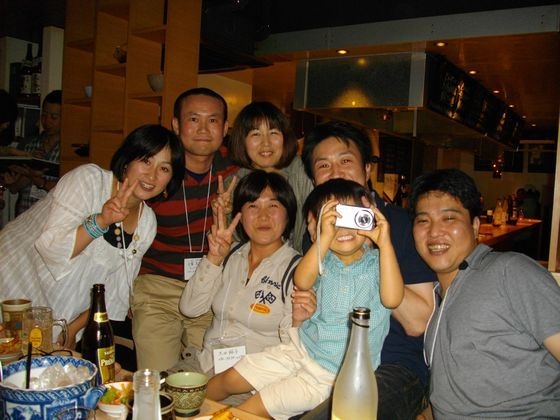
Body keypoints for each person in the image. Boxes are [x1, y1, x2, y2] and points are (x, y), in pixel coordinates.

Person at [206, 178, 404, 419]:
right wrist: (324, 238)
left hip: (330, 376)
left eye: (353, 217)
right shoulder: (322, 259)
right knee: (230, 378)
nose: (343, 229)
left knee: (251, 409)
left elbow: (392, 300)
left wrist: (385, 241)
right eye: (334, 218)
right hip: (298, 349)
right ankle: (186, 405)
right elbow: (302, 280)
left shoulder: (378, 264)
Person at [0, 124, 185, 347]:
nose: (152, 175)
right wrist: (102, 221)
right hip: (11, 283)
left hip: (58, 312)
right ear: (127, 161)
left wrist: (73, 329)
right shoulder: (89, 181)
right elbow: (53, 249)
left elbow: (112, 293)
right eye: (146, 161)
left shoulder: (146, 223)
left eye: (164, 168)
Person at [300, 120, 435, 419]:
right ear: (313, 179)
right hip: (324, 359)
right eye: (323, 165)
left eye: (346, 161)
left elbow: (418, 323)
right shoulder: (319, 231)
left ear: (367, 170)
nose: (335, 172)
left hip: (395, 364)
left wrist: (373, 250)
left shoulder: (401, 225)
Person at [409, 168, 560, 418]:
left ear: (475, 225)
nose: (434, 232)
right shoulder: (438, 301)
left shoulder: (510, 272)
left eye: (449, 218)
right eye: (423, 220)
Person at [132, 88, 239, 371]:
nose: (203, 129)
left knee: (208, 380)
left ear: (225, 128)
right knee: (158, 382)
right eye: (193, 119)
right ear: (176, 125)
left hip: (211, 289)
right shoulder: (156, 172)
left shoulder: (235, 172)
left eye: (213, 120)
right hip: (157, 288)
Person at [178, 170, 315, 378]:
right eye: (253, 206)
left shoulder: (298, 270)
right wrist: (214, 258)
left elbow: (292, 350)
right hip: (204, 364)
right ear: (239, 217)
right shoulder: (230, 254)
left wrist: (298, 322)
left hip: (249, 380)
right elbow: (190, 309)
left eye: (273, 206)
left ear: (288, 215)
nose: (263, 216)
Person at [227, 101, 313, 252]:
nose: (266, 143)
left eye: (273, 133)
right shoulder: (233, 184)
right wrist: (223, 215)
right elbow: (234, 245)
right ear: (242, 141)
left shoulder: (304, 172)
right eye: (256, 134)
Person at [2, 90, 62, 216]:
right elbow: (14, 188)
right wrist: (23, 176)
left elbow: (69, 190)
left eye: (54, 117)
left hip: (50, 218)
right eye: (44, 115)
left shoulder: (69, 152)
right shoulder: (29, 144)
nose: (47, 121)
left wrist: (39, 180)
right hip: (24, 215)